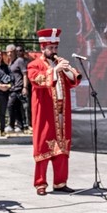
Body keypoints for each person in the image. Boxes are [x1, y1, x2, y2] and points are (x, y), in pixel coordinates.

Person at [27, 28, 80, 194]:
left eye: (56, 47)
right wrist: (55, 71)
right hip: (45, 113)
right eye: (51, 48)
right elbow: (36, 80)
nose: (54, 51)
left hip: (61, 113)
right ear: (43, 48)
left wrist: (66, 69)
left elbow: (74, 81)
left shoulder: (60, 64)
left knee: (62, 146)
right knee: (43, 145)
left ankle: (60, 182)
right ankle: (40, 184)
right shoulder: (34, 64)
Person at [5, 44, 27, 133]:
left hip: (19, 88)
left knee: (10, 105)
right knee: (17, 107)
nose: (9, 54)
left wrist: (25, 87)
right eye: (8, 52)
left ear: (15, 52)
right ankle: (20, 126)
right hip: (12, 88)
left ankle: (11, 125)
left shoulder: (19, 61)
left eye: (11, 52)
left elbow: (25, 74)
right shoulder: (10, 63)